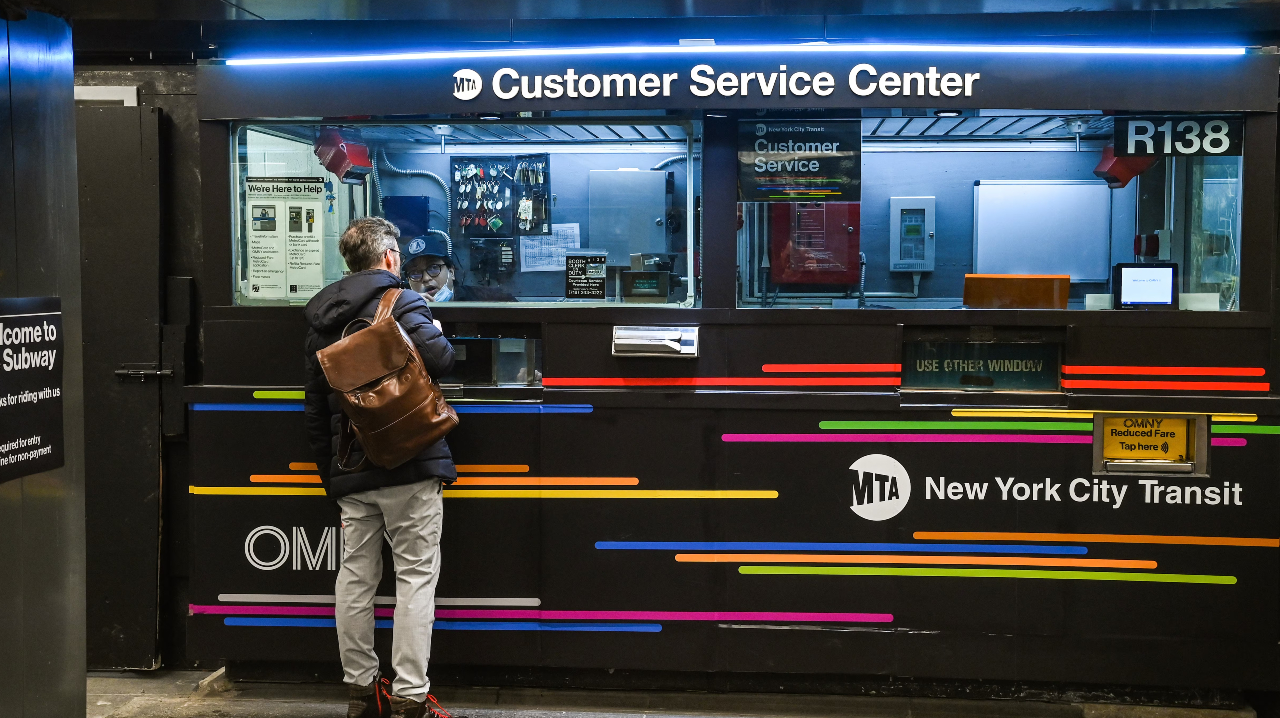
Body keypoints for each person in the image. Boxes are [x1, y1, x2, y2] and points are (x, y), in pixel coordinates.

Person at [303, 216, 457, 718]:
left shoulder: (321, 319)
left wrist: (330, 474)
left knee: (354, 579)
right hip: (410, 461)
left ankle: (361, 692)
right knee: (414, 578)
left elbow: (313, 407)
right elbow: (442, 359)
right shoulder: (404, 302)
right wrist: (432, 328)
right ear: (390, 259)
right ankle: (411, 697)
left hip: (351, 467)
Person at [401, 234, 516, 302]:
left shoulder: (482, 299)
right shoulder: (405, 312)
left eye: (433, 267)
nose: (425, 278)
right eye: (415, 273)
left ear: (451, 272)